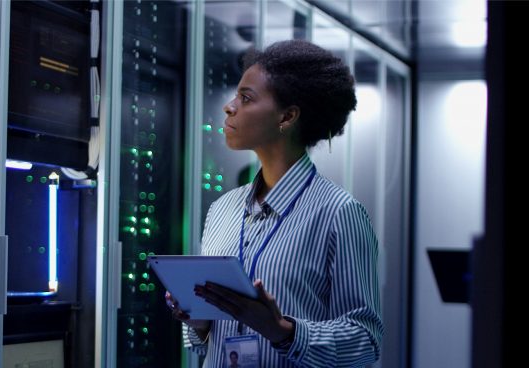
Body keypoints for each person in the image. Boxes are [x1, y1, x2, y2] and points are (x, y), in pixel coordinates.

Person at [164, 39, 383, 367]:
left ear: (287, 116)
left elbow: (365, 341)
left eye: (245, 97)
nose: (229, 106)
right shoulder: (222, 210)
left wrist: (282, 331)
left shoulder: (340, 214)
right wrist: (197, 320)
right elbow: (206, 340)